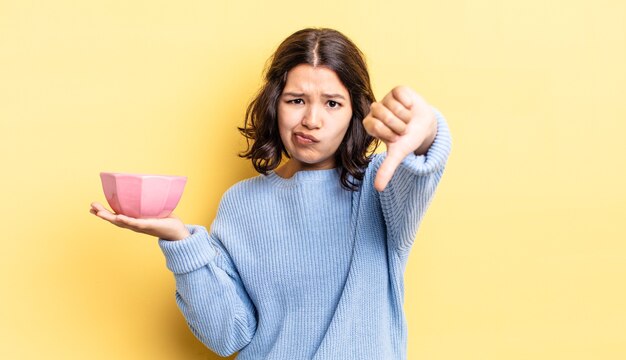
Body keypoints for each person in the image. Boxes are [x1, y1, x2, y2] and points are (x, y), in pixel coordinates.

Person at [90, 27, 451, 360]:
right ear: (274, 102)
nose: (311, 120)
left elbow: (421, 165)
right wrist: (181, 242)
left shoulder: (380, 186)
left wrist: (428, 129)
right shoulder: (242, 202)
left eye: (332, 103)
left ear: (355, 111)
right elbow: (229, 335)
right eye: (296, 100)